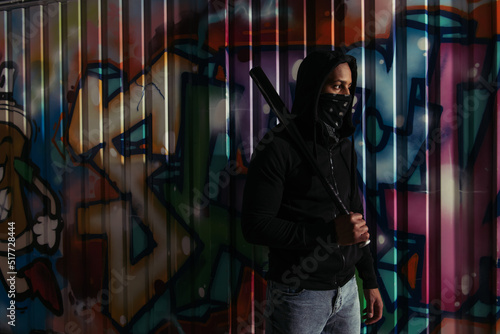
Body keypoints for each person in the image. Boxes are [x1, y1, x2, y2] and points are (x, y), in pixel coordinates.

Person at [241, 50, 383, 333]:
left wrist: (369, 279)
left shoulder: (342, 146)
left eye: (348, 87)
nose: (344, 95)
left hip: (347, 292)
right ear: (315, 88)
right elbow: (255, 226)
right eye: (336, 86)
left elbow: (355, 219)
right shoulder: (278, 147)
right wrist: (330, 234)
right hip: (298, 296)